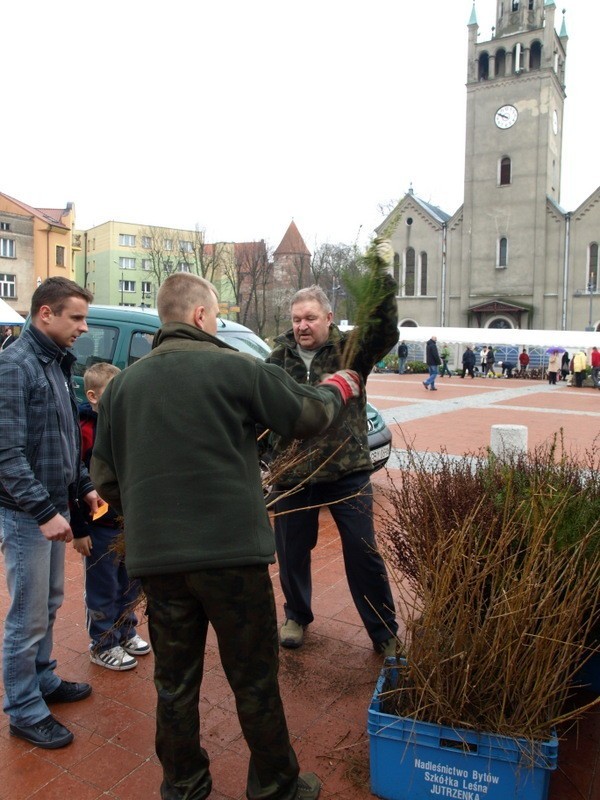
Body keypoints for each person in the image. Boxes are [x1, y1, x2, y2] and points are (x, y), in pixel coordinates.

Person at [90, 272, 362, 800]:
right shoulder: (233, 366)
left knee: (174, 685)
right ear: (198, 316)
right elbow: (306, 416)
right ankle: (277, 786)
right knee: (254, 677)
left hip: (159, 564)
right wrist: (340, 385)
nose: (216, 325)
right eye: (214, 315)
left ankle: (185, 787)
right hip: (232, 559)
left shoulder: (121, 387)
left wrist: (149, 519)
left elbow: (105, 481)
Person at [265, 249, 399, 656]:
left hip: (347, 472)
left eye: (310, 318)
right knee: (290, 554)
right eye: (296, 319)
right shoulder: (275, 360)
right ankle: (296, 615)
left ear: (327, 318)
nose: (302, 326)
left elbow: (384, 330)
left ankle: (384, 631)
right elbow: (262, 412)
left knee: (363, 552)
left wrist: (382, 276)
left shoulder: (351, 352)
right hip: (294, 476)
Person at [0, 277, 99, 750]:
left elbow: (63, 440)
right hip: (26, 517)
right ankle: (23, 709)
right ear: (45, 313)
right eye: (76, 317)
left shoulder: (57, 364)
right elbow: (7, 457)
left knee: (49, 605)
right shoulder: (15, 367)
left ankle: (43, 680)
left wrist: (84, 488)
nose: (83, 326)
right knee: (27, 616)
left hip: (53, 508)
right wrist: (43, 511)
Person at [72, 362, 150, 671]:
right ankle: (103, 642)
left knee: (131, 581)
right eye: (112, 394)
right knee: (103, 584)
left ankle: (126, 630)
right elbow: (74, 478)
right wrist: (80, 527)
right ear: (92, 396)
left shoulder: (127, 426)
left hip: (128, 521)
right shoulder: (84, 430)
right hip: (99, 526)